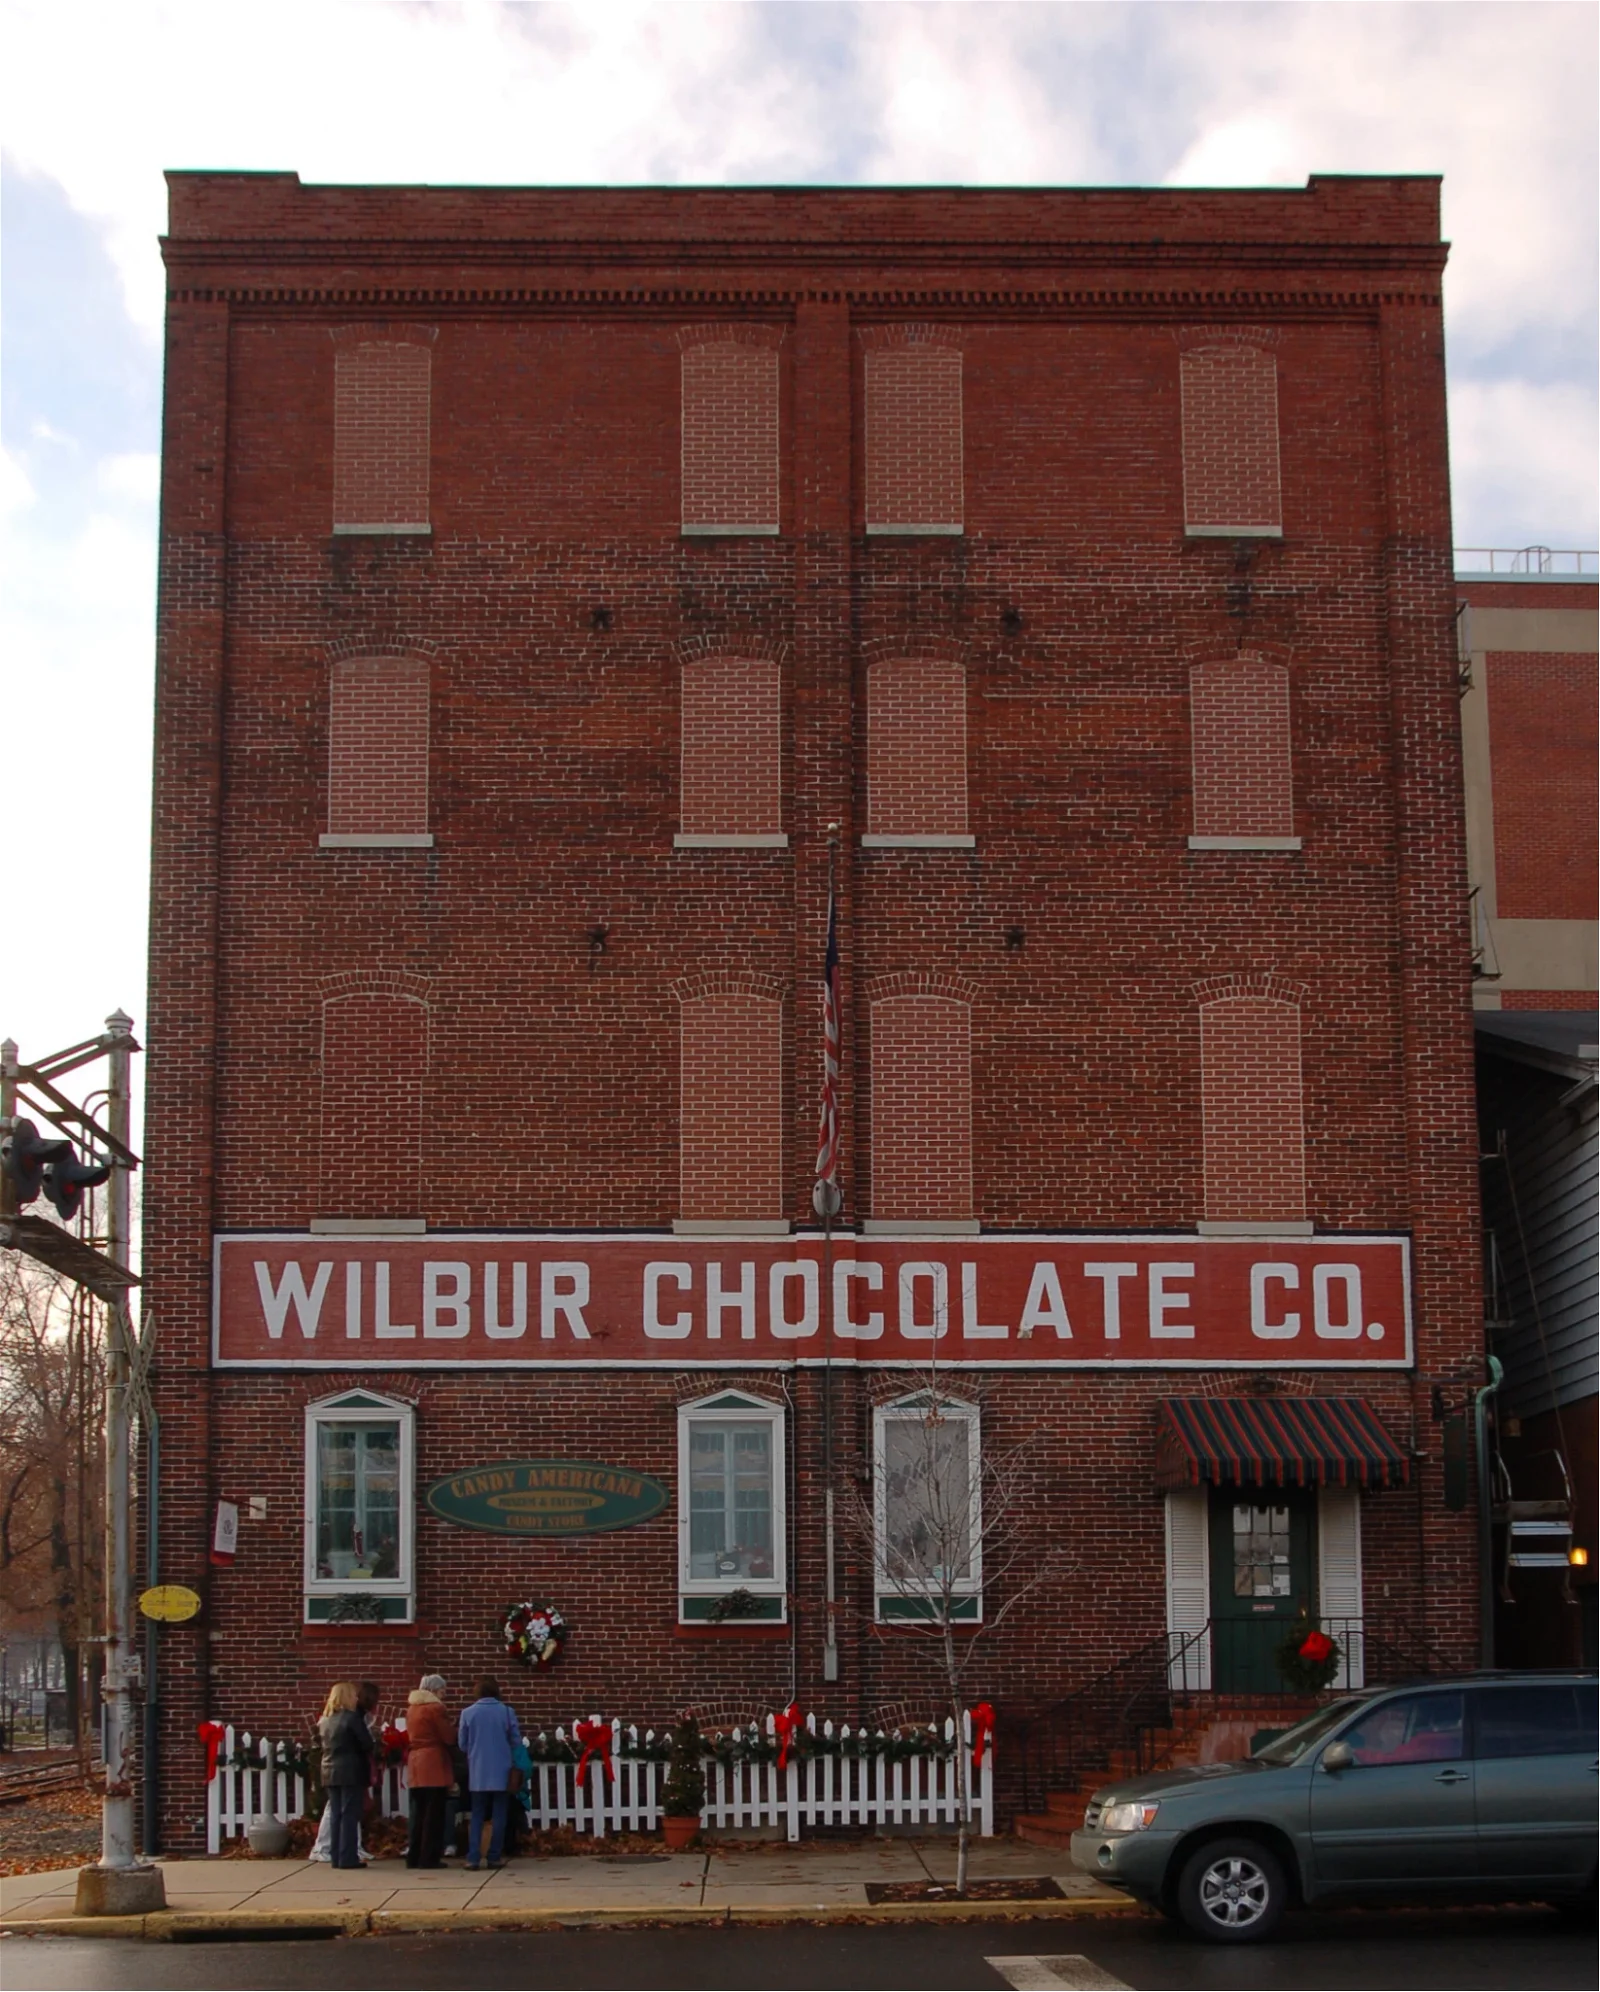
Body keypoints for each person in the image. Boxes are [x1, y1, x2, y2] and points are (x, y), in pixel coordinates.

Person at [310, 1677, 381, 1862]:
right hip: (350, 1771)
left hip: (329, 1770)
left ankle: (335, 1855)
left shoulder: (325, 1720)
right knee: (349, 1814)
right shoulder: (351, 1718)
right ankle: (348, 1857)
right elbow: (366, 1743)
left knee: (335, 1814)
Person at [456, 1676, 520, 1870]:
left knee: (477, 1814)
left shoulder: (467, 1713)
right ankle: (494, 1855)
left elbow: (462, 1744)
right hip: (501, 1769)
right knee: (499, 1813)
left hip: (478, 1770)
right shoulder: (507, 1712)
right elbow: (516, 1741)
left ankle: (473, 1857)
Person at [404, 1673, 457, 1869]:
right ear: (434, 1690)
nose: (444, 1693)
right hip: (433, 1761)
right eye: (442, 1689)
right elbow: (448, 1736)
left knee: (418, 1813)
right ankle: (429, 1857)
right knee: (434, 1813)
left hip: (416, 1761)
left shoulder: (412, 1709)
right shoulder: (436, 1708)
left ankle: (414, 1856)